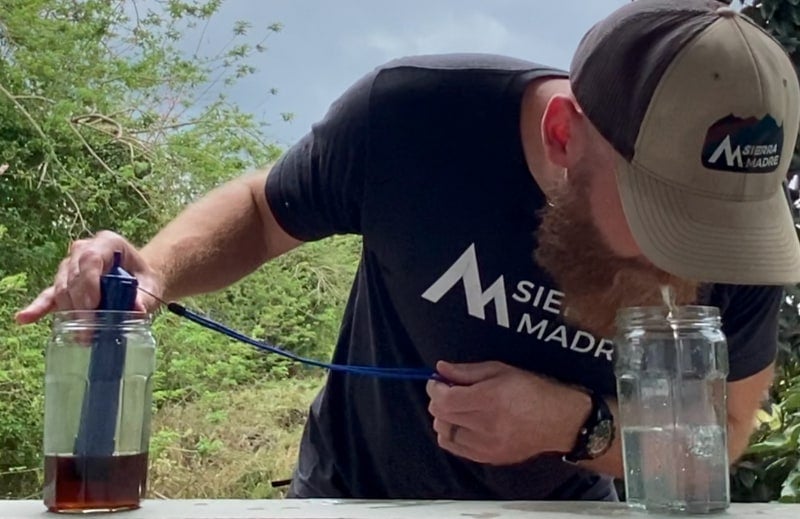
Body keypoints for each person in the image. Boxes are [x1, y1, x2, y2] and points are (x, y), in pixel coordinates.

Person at [17, 0, 800, 501]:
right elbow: (262, 210)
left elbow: (725, 429)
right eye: (664, 213)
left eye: (717, 222)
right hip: (354, 495)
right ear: (564, 135)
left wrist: (578, 426)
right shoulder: (416, 119)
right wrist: (156, 268)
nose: (692, 256)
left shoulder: (738, 236)